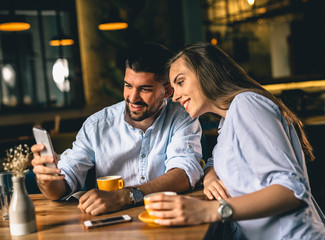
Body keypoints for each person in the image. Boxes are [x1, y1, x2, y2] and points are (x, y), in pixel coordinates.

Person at [145, 42, 325, 239]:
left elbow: (292, 190)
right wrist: (210, 177)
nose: (174, 97)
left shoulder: (246, 104)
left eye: (180, 82)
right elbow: (219, 160)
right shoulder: (227, 122)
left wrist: (206, 211)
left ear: (206, 73)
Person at [31, 42, 203, 216]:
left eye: (144, 89)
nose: (133, 97)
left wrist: (125, 196)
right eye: (128, 85)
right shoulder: (96, 126)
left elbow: (184, 173)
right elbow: (62, 186)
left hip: (167, 220)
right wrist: (47, 180)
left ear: (167, 91)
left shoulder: (183, 117)